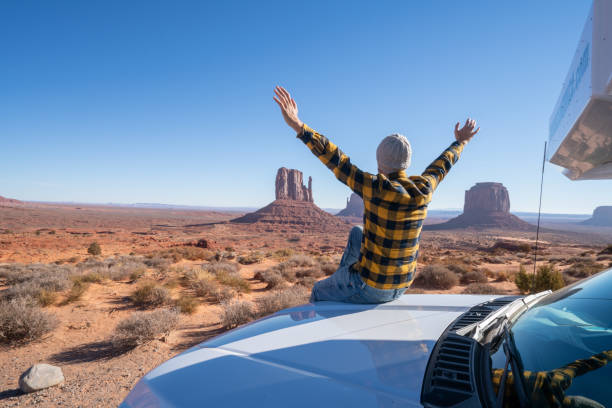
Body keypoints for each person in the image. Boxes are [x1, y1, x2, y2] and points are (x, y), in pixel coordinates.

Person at [273, 86, 479, 303]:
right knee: (356, 232)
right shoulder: (424, 188)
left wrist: (297, 125)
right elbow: (444, 163)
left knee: (318, 291)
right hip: (403, 283)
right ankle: (344, 279)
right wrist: (461, 141)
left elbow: (335, 158)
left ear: (379, 162)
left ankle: (339, 307)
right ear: (406, 163)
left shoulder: (374, 186)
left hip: (371, 286)